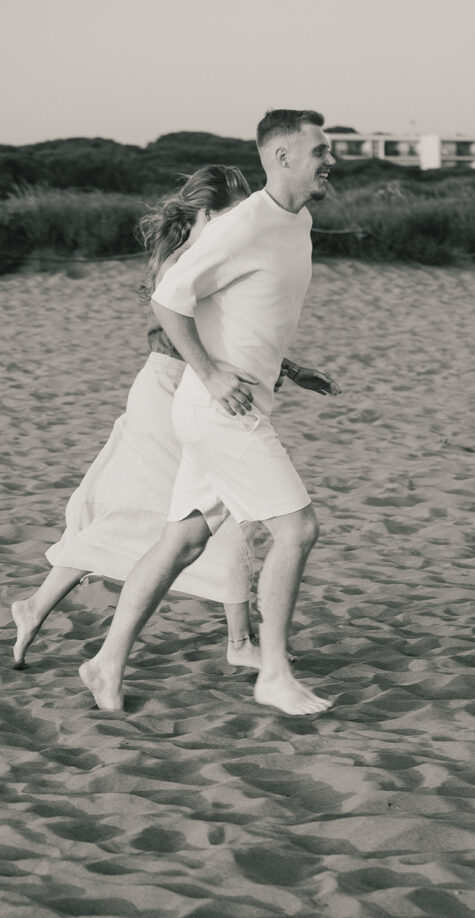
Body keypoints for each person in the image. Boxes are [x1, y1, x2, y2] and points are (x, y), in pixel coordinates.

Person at [12, 163, 340, 674]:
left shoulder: (217, 252)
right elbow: (197, 337)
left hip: (174, 388)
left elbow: (234, 329)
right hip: (169, 389)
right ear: (205, 213)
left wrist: (290, 370)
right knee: (218, 519)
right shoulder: (188, 261)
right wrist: (220, 375)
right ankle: (240, 641)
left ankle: (36, 608)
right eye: (232, 212)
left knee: (158, 520)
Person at [79, 109, 337, 717]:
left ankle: (104, 661)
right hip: (221, 409)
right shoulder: (242, 225)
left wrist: (289, 368)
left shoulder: (296, 222)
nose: (331, 160)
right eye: (320, 150)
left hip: (237, 402)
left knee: (182, 541)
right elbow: (170, 300)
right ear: (281, 157)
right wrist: (214, 373)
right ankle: (272, 672)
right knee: (297, 529)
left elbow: (248, 313)